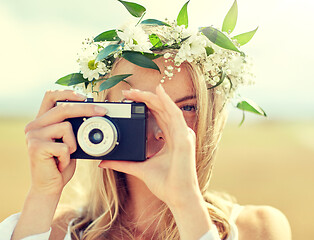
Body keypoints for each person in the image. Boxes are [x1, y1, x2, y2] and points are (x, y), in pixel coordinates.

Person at [0, 1, 291, 239]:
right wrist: (42, 194)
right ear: (98, 115)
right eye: (136, 106)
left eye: (186, 108)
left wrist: (186, 204)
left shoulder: (258, 228)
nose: (163, 127)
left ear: (212, 119)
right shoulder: (52, 229)